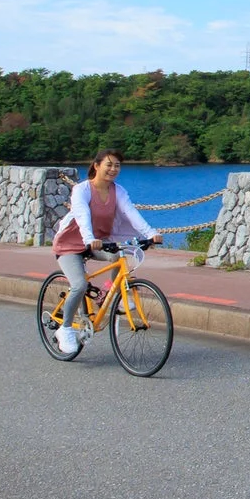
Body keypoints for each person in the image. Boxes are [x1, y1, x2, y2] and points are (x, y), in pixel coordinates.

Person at [47, 148, 158, 355]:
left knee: (120, 256)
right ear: (96, 166)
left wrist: (151, 233)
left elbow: (131, 213)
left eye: (117, 165)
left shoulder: (119, 192)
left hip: (98, 242)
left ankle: (108, 293)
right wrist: (89, 239)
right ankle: (66, 329)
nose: (113, 169)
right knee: (79, 284)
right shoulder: (82, 190)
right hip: (70, 244)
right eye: (109, 164)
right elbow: (81, 215)